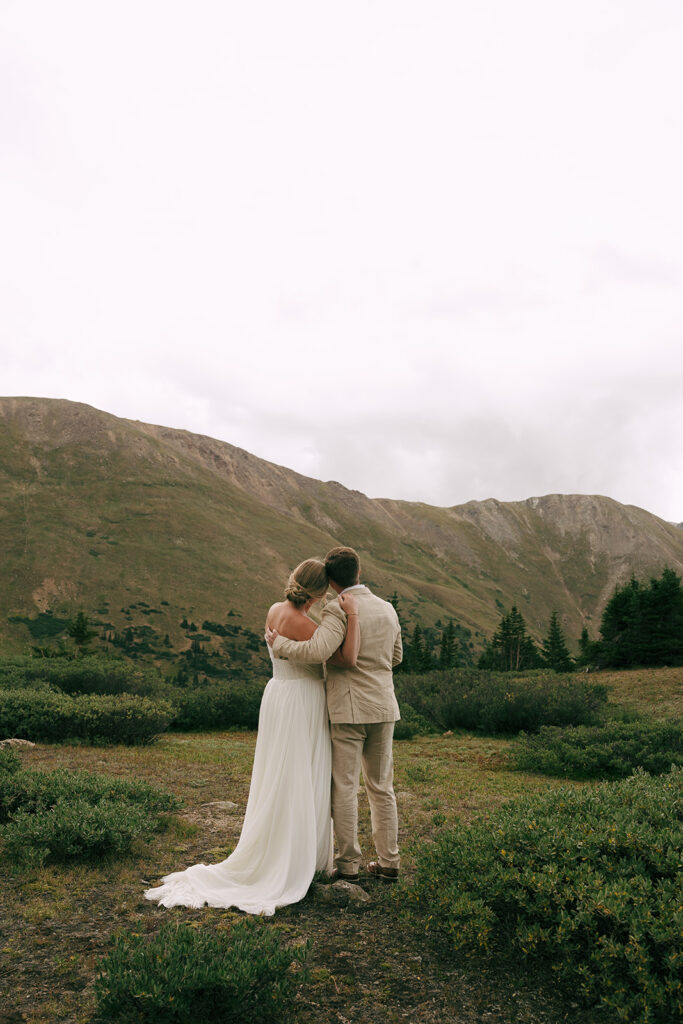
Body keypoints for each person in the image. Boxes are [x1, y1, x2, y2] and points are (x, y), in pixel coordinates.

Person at [144, 558, 359, 915]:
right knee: (300, 776)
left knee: (280, 774)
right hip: (302, 700)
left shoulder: (275, 610)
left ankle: (280, 846)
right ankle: (298, 858)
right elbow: (336, 657)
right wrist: (349, 619)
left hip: (277, 694)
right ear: (321, 593)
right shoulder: (305, 624)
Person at [267, 546, 402, 883]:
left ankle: (348, 865)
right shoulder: (387, 609)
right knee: (382, 787)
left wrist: (279, 645)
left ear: (331, 581)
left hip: (348, 709)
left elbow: (318, 651)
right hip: (384, 706)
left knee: (344, 787)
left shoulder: (334, 610)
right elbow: (396, 656)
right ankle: (389, 863)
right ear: (359, 571)